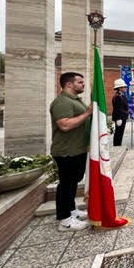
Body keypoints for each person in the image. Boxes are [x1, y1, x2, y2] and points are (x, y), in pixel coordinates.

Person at [49, 72, 92, 231]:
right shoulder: (62, 102)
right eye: (80, 82)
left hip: (77, 150)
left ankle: (71, 210)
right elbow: (64, 125)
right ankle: (65, 220)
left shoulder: (73, 100)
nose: (83, 85)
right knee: (66, 185)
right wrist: (87, 113)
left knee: (73, 183)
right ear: (69, 84)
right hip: (66, 151)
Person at [112, 78, 128, 146]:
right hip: (120, 117)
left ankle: (118, 145)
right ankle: (117, 146)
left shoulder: (121, 95)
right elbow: (117, 108)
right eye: (124, 87)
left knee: (120, 133)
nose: (125, 88)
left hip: (122, 117)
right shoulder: (118, 97)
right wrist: (119, 118)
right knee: (118, 133)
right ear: (120, 88)